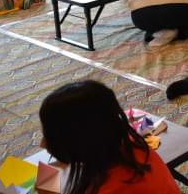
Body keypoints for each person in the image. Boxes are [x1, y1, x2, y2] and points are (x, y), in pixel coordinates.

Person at [39, 80, 179, 194]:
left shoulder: (112, 188)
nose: (42, 144)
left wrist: (45, 189)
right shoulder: (130, 146)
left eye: (50, 136)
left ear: (80, 141)